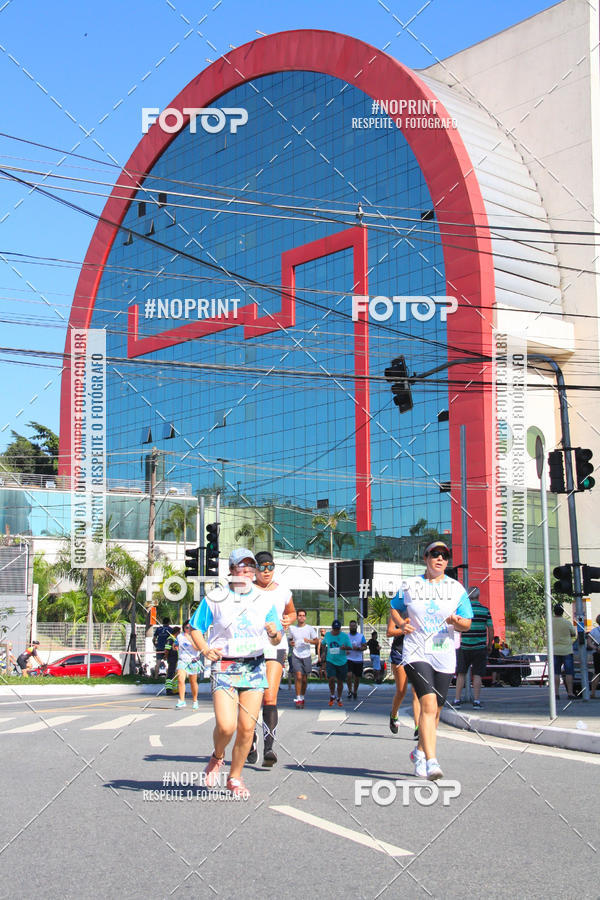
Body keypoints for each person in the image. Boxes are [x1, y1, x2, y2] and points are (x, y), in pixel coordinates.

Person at [189, 548, 282, 798]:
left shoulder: (265, 600)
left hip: (253, 666)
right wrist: (205, 648)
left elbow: (276, 638)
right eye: (242, 567)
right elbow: (195, 628)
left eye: (251, 567)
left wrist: (274, 633)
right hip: (225, 666)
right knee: (227, 725)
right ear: (231, 571)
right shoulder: (215, 598)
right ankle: (217, 757)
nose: (248, 572)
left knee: (246, 728)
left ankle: (235, 777)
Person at [390, 541, 472, 781]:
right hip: (416, 652)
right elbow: (394, 608)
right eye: (435, 554)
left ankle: (419, 753)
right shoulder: (410, 585)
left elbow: (466, 623)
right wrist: (402, 623)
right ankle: (432, 761)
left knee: (436, 709)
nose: (440, 558)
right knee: (427, 703)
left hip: (444, 653)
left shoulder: (456, 589)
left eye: (444, 556)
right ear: (425, 558)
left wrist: (456, 621)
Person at [249, 550, 296, 767]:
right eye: (262, 567)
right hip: (249, 649)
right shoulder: (245, 590)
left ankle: (269, 748)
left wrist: (288, 619)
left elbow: (292, 612)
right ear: (255, 569)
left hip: (276, 646)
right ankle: (250, 740)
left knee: (269, 698)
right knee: (250, 700)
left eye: (270, 566)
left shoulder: (284, 591)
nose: (266, 571)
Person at [453, 587, 494, 709]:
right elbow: (491, 629)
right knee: (477, 675)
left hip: (465, 646)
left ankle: (457, 699)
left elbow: (457, 627)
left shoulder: (463, 611)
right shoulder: (485, 610)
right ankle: (476, 701)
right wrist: (490, 644)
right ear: (478, 596)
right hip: (480, 647)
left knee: (461, 673)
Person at [386, 613, 420, 737]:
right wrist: (403, 628)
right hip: (399, 652)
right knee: (401, 691)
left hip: (417, 652)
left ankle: (418, 727)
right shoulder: (397, 610)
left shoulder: (421, 607)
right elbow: (389, 632)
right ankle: (393, 714)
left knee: (417, 691)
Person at [288, 609, 318, 708]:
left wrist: (309, 640)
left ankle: (302, 696)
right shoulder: (292, 628)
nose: (301, 617)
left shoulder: (309, 629)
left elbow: (317, 641)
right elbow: (290, 640)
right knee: (298, 676)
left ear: (305, 617)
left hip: (306, 655)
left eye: (303, 615)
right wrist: (291, 643)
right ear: (297, 617)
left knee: (304, 679)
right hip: (296, 654)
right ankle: (298, 698)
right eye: (299, 615)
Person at [322, 619, 352, 707]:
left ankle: (339, 697)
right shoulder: (327, 635)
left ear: (340, 629)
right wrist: (323, 652)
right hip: (330, 661)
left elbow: (350, 647)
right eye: (334, 629)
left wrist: (344, 648)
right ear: (332, 629)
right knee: (331, 678)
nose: (336, 631)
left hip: (342, 662)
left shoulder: (344, 636)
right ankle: (332, 695)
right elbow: (323, 644)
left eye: (337, 629)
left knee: (340, 681)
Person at [552, 603, 577, 700]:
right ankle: (570, 693)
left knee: (556, 673)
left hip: (554, 651)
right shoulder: (567, 623)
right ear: (563, 612)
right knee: (569, 673)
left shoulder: (550, 622)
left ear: (554, 611)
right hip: (567, 650)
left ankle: (556, 694)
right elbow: (573, 633)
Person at [175, 621, 202, 710]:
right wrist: (175, 647)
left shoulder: (196, 636)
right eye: (186, 628)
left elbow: (198, 648)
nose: (188, 629)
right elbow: (175, 645)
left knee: (193, 682)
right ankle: (182, 700)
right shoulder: (179, 636)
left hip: (193, 661)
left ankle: (195, 700)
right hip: (182, 660)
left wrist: (190, 639)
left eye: (189, 628)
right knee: (180, 678)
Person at [346, 619, 367, 699]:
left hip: (358, 659)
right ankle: (349, 690)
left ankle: (355, 691)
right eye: (351, 626)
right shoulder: (346, 636)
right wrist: (345, 651)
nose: (352, 627)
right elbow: (342, 647)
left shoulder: (361, 636)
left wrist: (358, 648)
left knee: (357, 677)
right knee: (349, 675)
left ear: (356, 627)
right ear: (349, 627)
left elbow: (365, 647)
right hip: (349, 658)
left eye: (354, 626)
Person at [164, 625, 181, 694]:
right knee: (170, 674)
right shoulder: (170, 639)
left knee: (175, 674)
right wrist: (166, 656)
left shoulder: (175, 639)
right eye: (179, 632)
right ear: (177, 632)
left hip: (176, 659)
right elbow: (167, 649)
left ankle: (175, 689)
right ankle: (168, 689)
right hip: (172, 658)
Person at [587, 614, 600, 699]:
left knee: (597, 673)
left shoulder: (594, 631)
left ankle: (593, 693)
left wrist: (595, 648)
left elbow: (589, 642)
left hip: (597, 654)